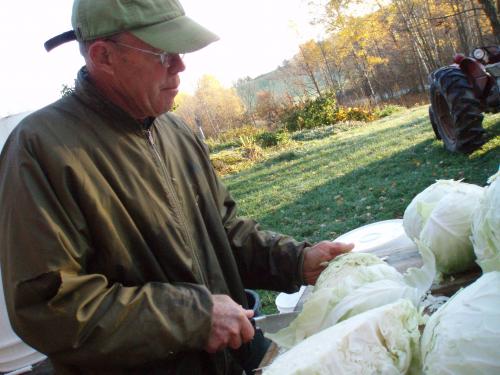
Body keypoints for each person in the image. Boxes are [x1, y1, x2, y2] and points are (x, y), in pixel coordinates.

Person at [0, 0, 353, 374]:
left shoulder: (174, 130)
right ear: (103, 56)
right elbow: (51, 306)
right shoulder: (41, 149)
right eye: (163, 53)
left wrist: (297, 261)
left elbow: (225, 232)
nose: (181, 65)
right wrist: (194, 317)